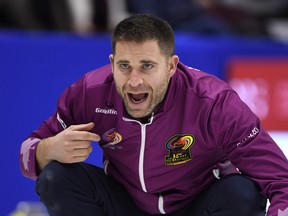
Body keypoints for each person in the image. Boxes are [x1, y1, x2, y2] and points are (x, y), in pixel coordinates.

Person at [20, 14, 288, 216]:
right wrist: (47, 149)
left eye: (147, 66)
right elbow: (27, 153)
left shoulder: (214, 104)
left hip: (195, 205)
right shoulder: (90, 93)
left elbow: (281, 181)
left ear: (171, 66)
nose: (134, 81)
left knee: (242, 192)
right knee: (56, 177)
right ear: (112, 64)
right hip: (124, 204)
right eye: (125, 66)